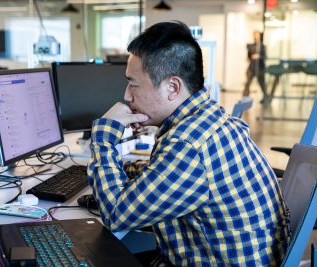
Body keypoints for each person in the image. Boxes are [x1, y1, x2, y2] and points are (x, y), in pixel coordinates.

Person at [87, 21, 290, 266]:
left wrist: (104, 138)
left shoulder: (188, 145)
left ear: (173, 87)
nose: (127, 96)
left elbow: (116, 215)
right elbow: (164, 175)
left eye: (134, 84)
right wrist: (127, 170)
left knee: (86, 256)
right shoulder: (209, 118)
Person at [243, 30, 267, 103]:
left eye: (257, 35)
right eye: (254, 35)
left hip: (260, 68)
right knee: (247, 83)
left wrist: (258, 56)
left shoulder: (263, 46)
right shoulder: (251, 46)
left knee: (262, 84)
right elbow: (248, 57)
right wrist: (250, 57)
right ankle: (245, 99)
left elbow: (265, 56)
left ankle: (266, 98)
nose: (255, 37)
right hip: (251, 67)